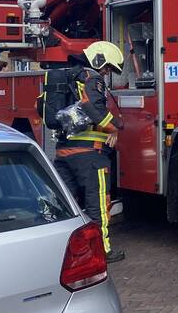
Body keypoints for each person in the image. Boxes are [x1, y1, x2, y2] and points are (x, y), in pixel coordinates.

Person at [53, 40, 126, 262]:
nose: (107, 72)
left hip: (64, 152)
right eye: (107, 67)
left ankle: (61, 251)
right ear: (99, 59)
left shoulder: (68, 77)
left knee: (66, 204)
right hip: (90, 156)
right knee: (98, 205)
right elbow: (91, 107)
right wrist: (115, 127)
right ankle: (101, 251)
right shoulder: (92, 78)